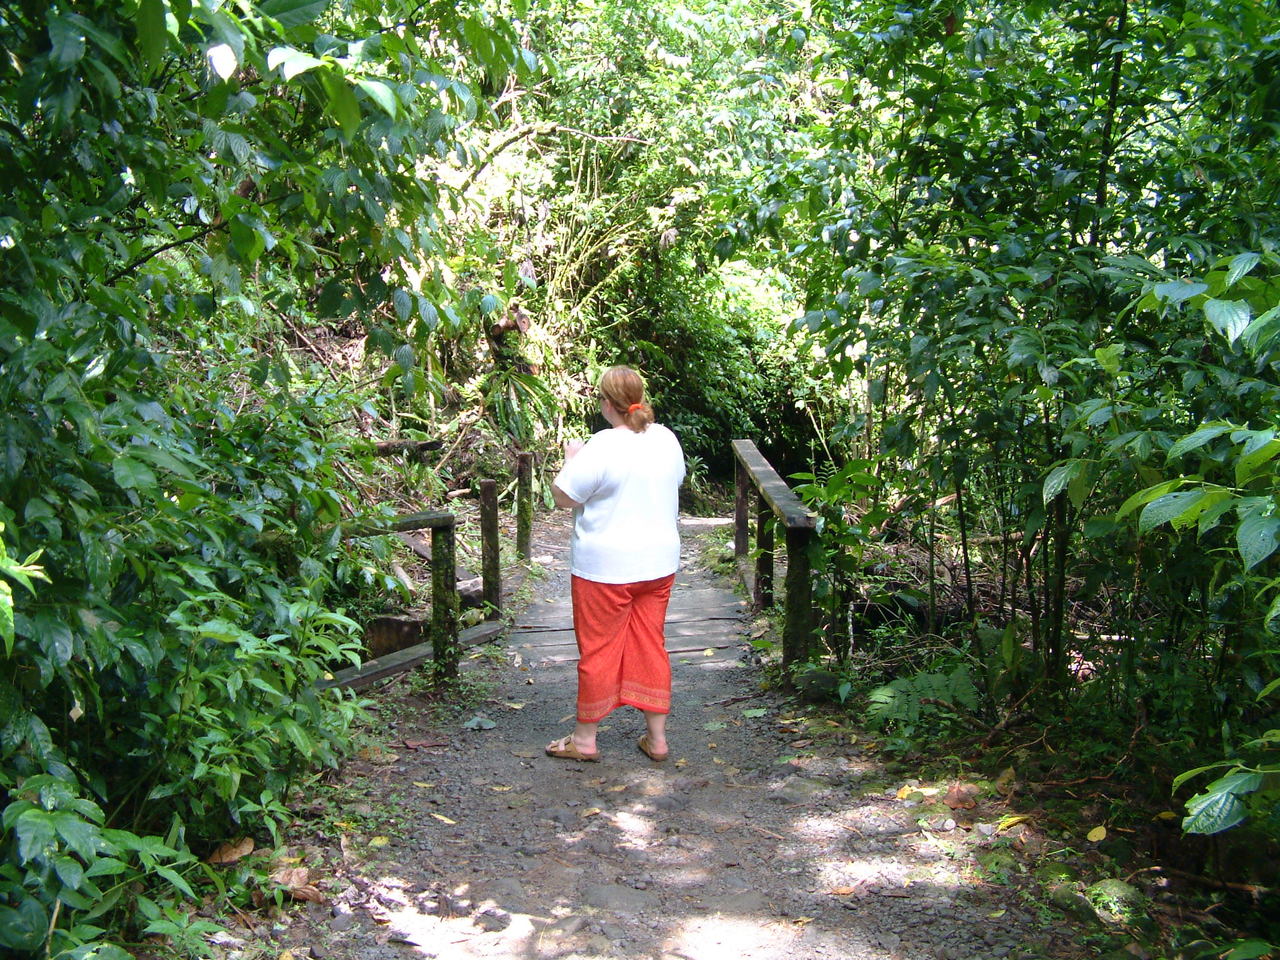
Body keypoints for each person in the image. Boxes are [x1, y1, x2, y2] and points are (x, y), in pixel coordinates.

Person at [545, 366, 686, 762]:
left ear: (607, 403)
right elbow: (673, 482)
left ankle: (585, 740)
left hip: (605, 569)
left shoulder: (601, 446)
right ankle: (657, 739)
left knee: (599, 649)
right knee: (650, 643)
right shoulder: (666, 439)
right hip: (658, 564)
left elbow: (564, 497)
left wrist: (571, 459)